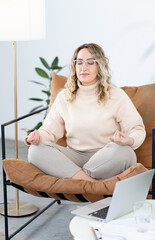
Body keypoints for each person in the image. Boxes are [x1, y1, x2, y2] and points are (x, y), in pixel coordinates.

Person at [25, 43, 146, 182]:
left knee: (126, 153)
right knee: (35, 150)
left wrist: (129, 140)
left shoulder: (116, 95)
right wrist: (37, 137)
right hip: (74, 157)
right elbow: (49, 131)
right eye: (79, 62)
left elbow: (137, 129)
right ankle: (93, 182)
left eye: (90, 62)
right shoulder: (64, 96)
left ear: (99, 66)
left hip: (106, 157)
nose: (83, 68)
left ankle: (77, 178)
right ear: (74, 66)